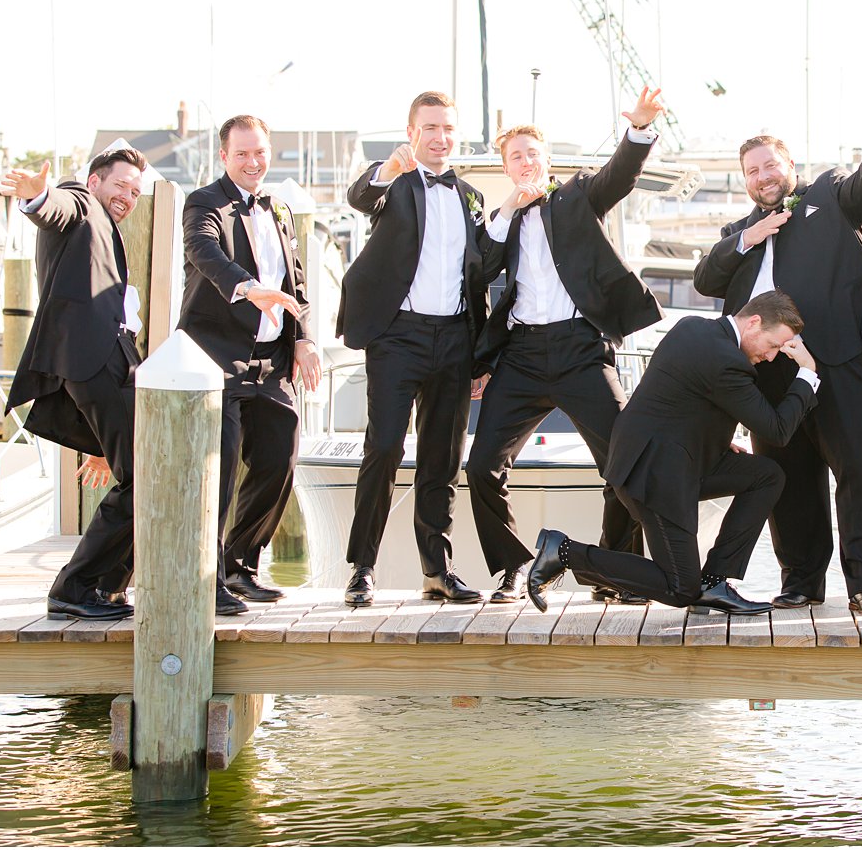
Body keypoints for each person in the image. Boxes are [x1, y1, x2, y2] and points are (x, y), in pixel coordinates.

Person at [692, 118, 862, 615]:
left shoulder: (826, 197)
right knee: (789, 478)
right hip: (770, 378)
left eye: (770, 165)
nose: (763, 176)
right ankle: (801, 581)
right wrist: (750, 237)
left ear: (790, 167)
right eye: (753, 171)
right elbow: (706, 280)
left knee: (854, 473)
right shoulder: (738, 234)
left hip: (839, 363)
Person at [466, 87, 666, 604]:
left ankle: (613, 572)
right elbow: (481, 267)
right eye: (516, 157)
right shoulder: (500, 219)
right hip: (522, 355)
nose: (526, 161)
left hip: (580, 350)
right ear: (506, 168)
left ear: (547, 160)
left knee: (624, 462)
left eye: (533, 153)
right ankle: (513, 568)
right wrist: (512, 205)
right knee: (481, 465)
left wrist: (639, 130)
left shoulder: (576, 198)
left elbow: (619, 175)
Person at [526, 291, 819, 614]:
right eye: (775, 345)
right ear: (754, 323)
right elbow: (777, 430)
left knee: (766, 475)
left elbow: (680, 401)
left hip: (667, 458)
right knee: (680, 588)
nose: (773, 356)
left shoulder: (693, 328)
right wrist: (807, 372)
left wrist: (716, 441)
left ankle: (714, 582)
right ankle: (564, 552)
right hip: (654, 474)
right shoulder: (726, 361)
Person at [336, 90, 494, 608]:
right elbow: (362, 197)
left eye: (448, 128)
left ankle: (437, 570)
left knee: (442, 460)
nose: (440, 137)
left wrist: (479, 355)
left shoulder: (470, 196)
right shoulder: (395, 182)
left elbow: (478, 280)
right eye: (430, 128)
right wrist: (388, 168)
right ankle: (361, 569)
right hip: (396, 335)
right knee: (383, 447)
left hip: (454, 338)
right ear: (412, 133)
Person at [180, 115, 320, 616]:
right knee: (217, 472)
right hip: (218, 359)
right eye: (242, 154)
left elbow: (296, 280)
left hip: (273, 360)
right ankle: (208, 578)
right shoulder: (203, 203)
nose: (253, 161)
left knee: (279, 458)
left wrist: (302, 339)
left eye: (260, 152)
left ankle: (240, 564)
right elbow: (205, 252)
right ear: (224, 156)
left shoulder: (279, 209)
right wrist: (249, 287)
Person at [1, 149, 147, 621]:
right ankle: (76, 587)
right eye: (120, 185)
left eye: (134, 191)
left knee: (145, 474)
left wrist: (103, 442)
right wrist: (36, 195)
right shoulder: (79, 203)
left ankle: (105, 586)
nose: (127, 196)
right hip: (95, 362)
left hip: (116, 364)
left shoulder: (104, 226)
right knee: (145, 478)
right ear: (94, 181)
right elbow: (54, 207)